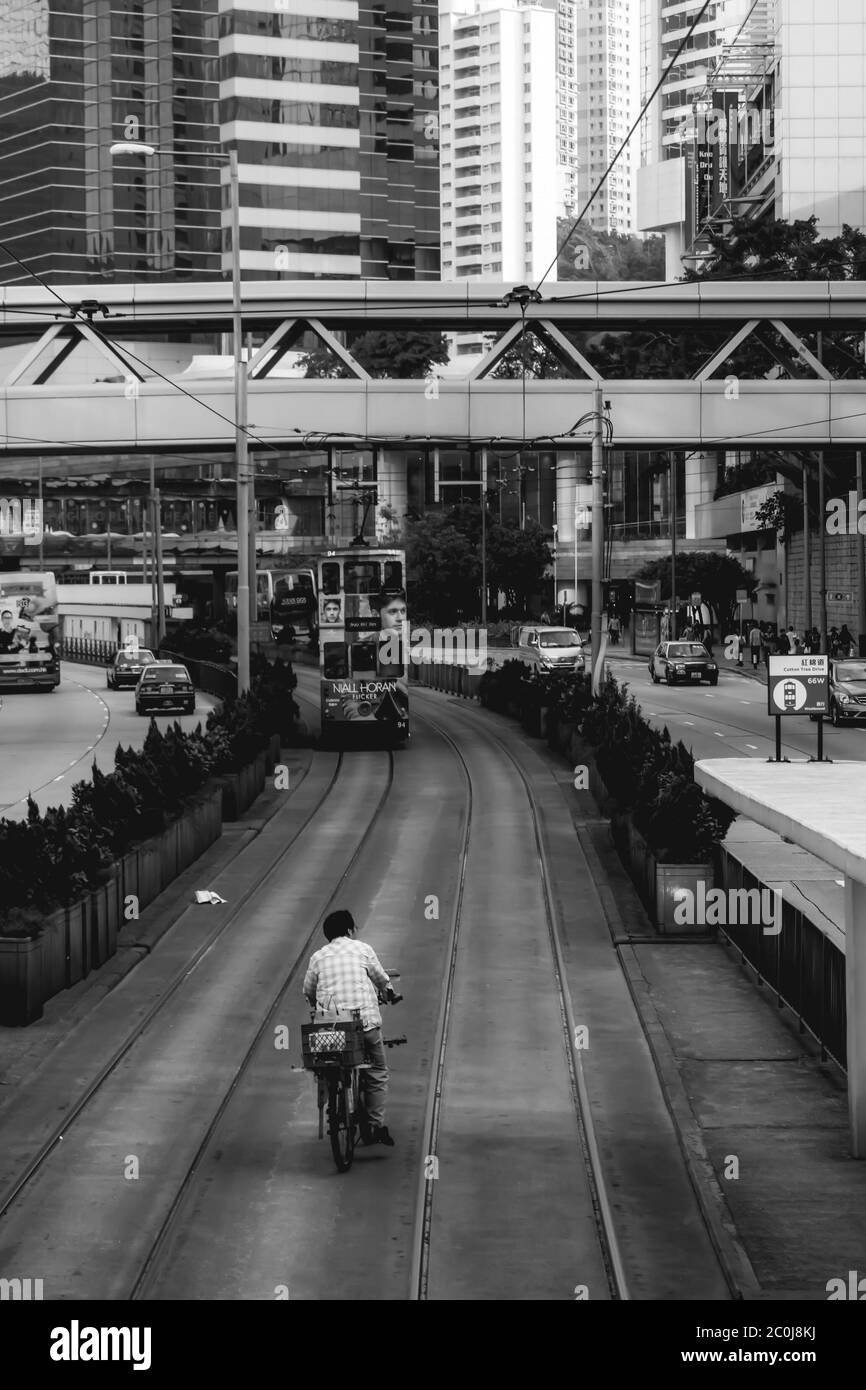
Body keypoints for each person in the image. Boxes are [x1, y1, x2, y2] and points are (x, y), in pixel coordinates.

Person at [303, 909, 396, 1146]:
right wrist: (388, 992)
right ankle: (375, 1126)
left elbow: (308, 990)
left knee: (327, 1065)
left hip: (329, 1030)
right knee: (376, 1071)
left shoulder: (318, 957)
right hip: (364, 1024)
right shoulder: (362, 949)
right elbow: (381, 979)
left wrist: (317, 1006)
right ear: (348, 930)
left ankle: (332, 1105)